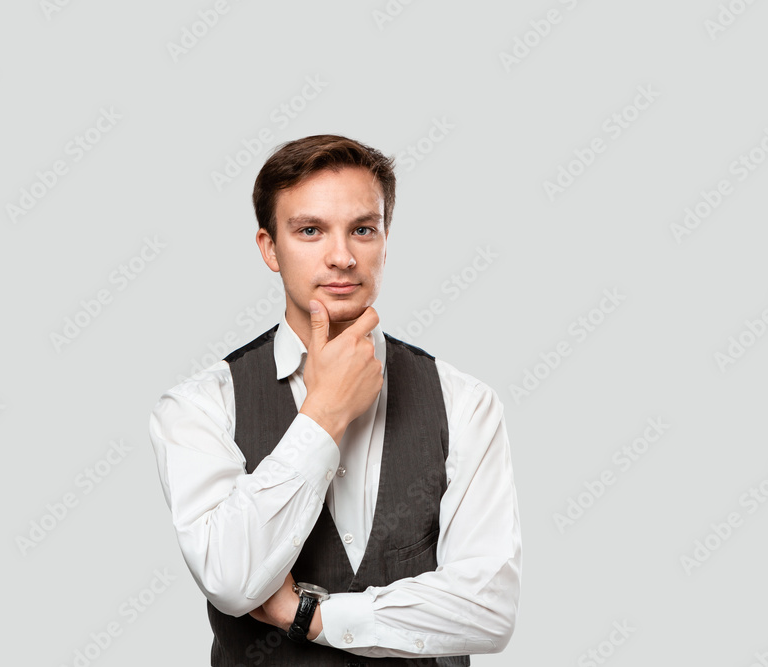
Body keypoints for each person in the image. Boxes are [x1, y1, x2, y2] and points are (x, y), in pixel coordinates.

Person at [149, 135, 521, 666]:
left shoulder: (465, 402)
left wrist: (311, 616)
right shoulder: (199, 407)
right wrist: (325, 413)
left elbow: (490, 608)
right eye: (310, 231)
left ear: (385, 242)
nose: (342, 256)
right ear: (269, 248)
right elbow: (230, 579)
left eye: (363, 230)